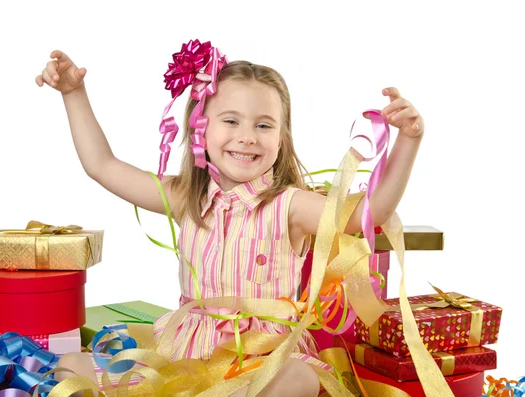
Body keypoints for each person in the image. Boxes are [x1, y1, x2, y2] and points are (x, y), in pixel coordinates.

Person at [35, 40, 424, 397]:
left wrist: (408, 140)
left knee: (299, 379)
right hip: (188, 353)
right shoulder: (188, 196)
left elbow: (369, 214)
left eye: (264, 125)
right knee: (72, 366)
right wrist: (74, 93)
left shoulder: (289, 206)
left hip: (262, 361)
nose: (248, 136)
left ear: (282, 138)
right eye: (231, 121)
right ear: (200, 128)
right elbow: (102, 166)